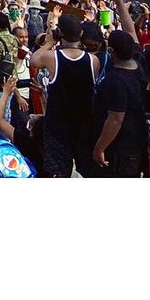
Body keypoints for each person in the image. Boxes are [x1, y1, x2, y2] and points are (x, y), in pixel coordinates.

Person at [31, 14, 99, 178]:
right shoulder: (93, 60)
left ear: (60, 32)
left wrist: (50, 42)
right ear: (81, 33)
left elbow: (33, 60)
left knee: (59, 172)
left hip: (57, 126)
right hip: (83, 124)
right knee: (84, 170)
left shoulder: (52, 57)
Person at [91, 30, 146, 177]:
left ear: (111, 51)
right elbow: (131, 29)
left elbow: (115, 119)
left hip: (121, 148)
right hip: (136, 140)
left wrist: (99, 148)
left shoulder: (116, 81)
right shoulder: (139, 63)